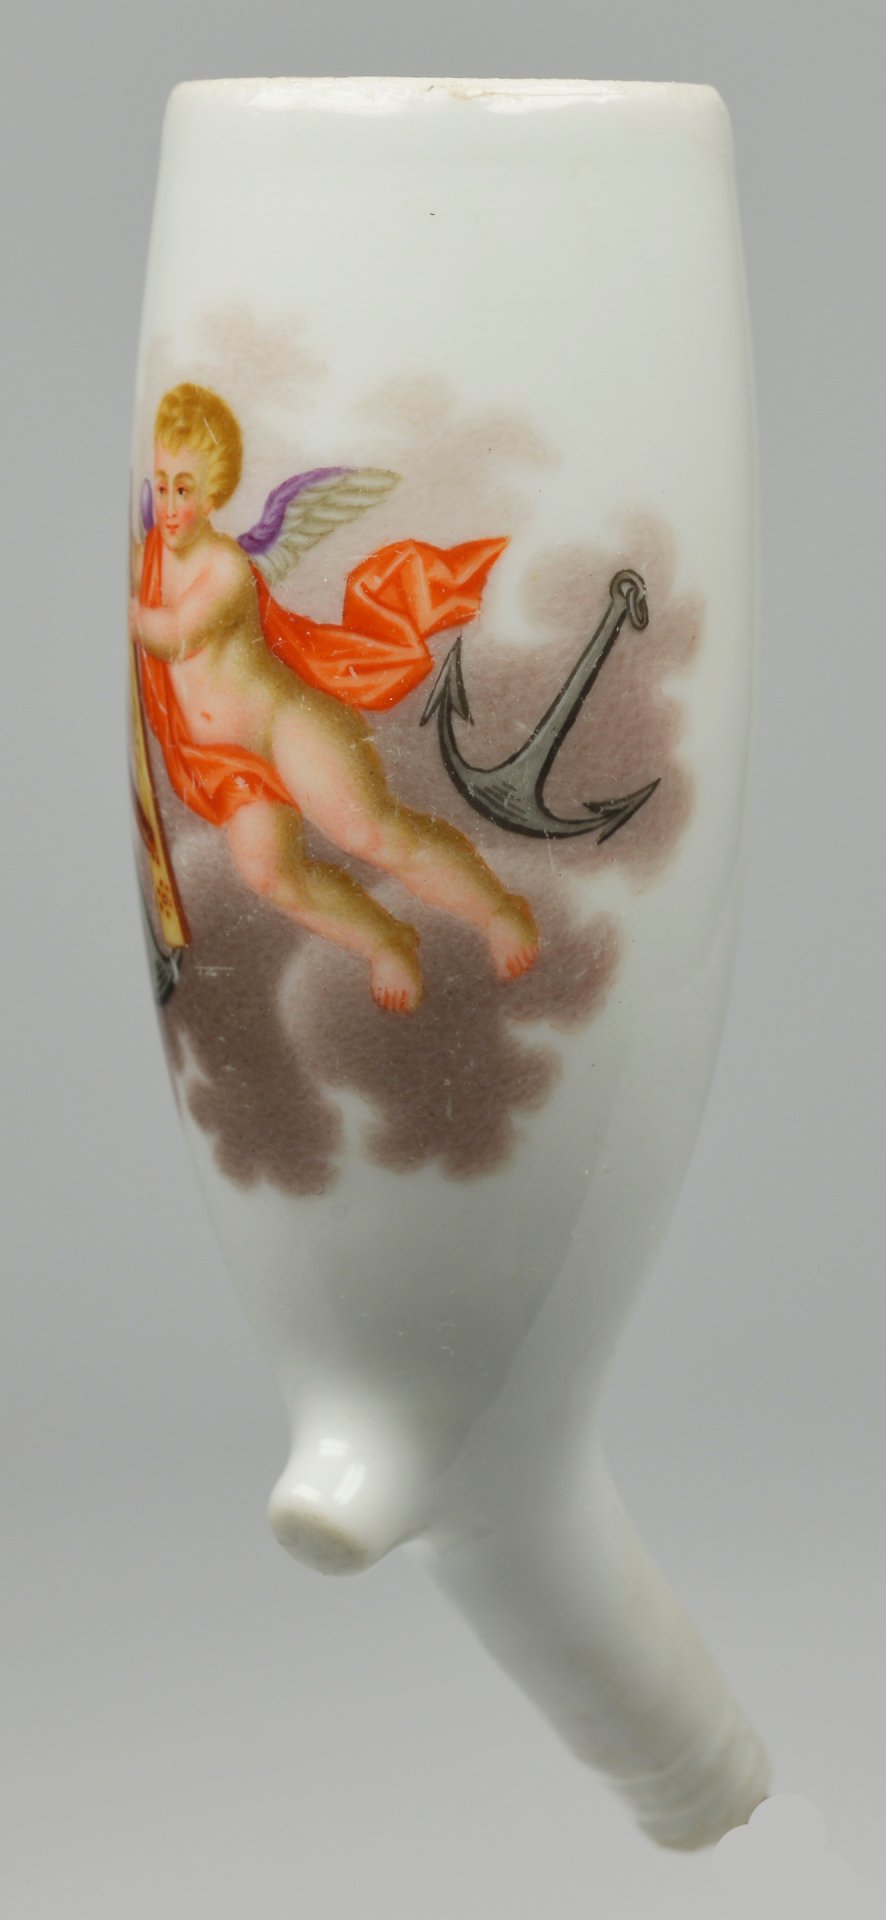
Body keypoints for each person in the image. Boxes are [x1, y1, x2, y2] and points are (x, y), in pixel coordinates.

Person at [130, 383, 539, 1011]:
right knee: (269, 873)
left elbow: (176, 634)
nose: (169, 505)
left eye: (184, 489)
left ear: (214, 496)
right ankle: (385, 940)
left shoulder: (224, 568)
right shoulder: (155, 555)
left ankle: (497, 910)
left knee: (370, 833)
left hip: (285, 726)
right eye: (160, 486)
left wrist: (128, 609)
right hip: (229, 764)